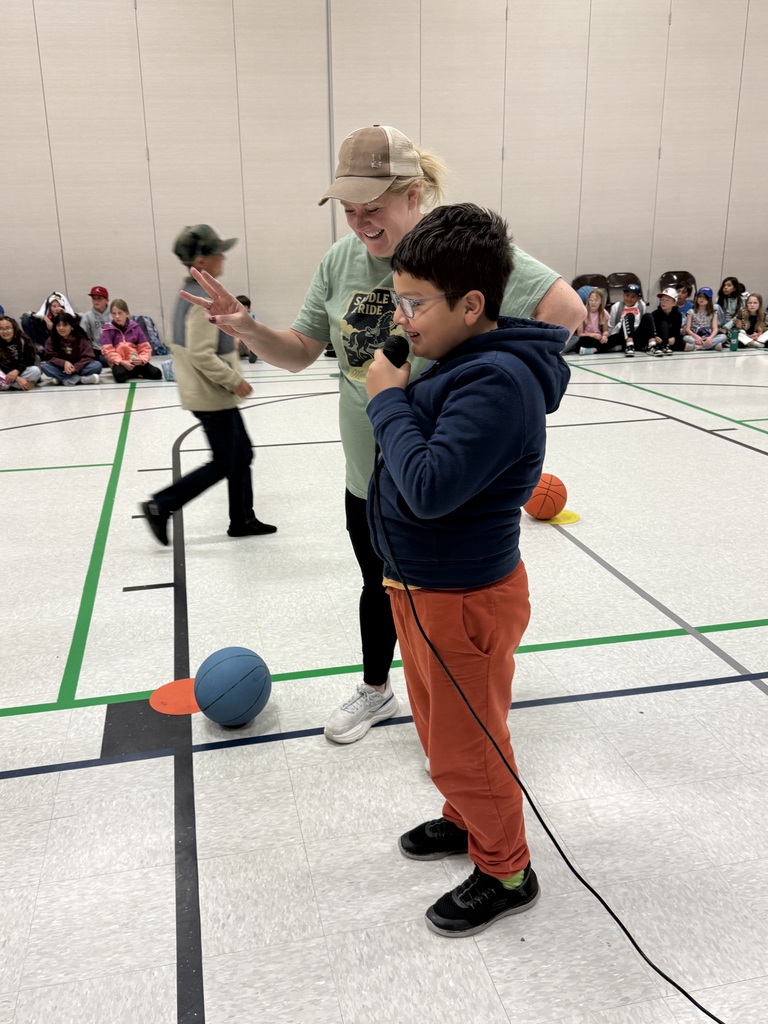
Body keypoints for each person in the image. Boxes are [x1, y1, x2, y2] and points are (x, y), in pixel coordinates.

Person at [178, 124, 584, 744]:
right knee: (381, 586)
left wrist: (491, 387)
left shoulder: (454, 251)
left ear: (414, 193)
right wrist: (246, 328)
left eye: (373, 209)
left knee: (448, 607)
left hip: (441, 479)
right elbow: (301, 351)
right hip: (370, 474)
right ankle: (380, 690)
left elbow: (566, 312)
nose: (361, 224)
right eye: (349, 211)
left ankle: (464, 729)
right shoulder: (339, 262)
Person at [363, 203, 568, 936]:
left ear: (472, 304)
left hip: (459, 596)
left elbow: (429, 486)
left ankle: (506, 868)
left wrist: (385, 400)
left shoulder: (498, 383)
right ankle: (466, 819)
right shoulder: (459, 364)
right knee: (445, 730)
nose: (404, 318)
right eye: (400, 299)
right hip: (424, 588)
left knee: (468, 743)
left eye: (417, 303)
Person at [140, 225, 276, 545]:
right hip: (210, 394)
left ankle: (243, 518)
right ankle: (161, 505)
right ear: (202, 260)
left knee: (241, 454)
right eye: (217, 252)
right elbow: (201, 354)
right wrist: (235, 380)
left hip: (210, 393)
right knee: (226, 460)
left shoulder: (194, 292)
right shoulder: (202, 298)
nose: (223, 257)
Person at [100, 299, 163, 383]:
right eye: (114, 314)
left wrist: (141, 360)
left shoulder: (135, 327)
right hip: (120, 363)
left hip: (135, 362)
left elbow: (145, 348)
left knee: (157, 374)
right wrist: (121, 362)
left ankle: (134, 372)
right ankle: (133, 373)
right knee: (120, 377)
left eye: (120, 313)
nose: (117, 316)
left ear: (126, 313)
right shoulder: (107, 329)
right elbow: (108, 351)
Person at [40, 312, 102, 384]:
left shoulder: (81, 338)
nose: (61, 328)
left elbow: (88, 357)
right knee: (45, 367)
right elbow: (50, 357)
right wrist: (64, 363)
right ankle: (80, 379)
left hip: (79, 367)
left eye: (65, 325)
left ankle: (62, 378)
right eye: (58, 325)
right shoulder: (52, 339)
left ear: (72, 327)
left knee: (97, 365)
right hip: (62, 367)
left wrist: (75, 367)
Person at [21, 292, 76, 358]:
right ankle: (39, 347)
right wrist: (42, 316)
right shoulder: (46, 316)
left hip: (60, 343)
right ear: (50, 307)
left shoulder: (66, 317)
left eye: (59, 306)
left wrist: (64, 317)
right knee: (25, 320)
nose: (56, 309)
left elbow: (73, 330)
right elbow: (26, 318)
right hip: (44, 340)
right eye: (54, 306)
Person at [606, 283, 654, 355]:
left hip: (636, 336)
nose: (629, 299)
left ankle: (652, 345)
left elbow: (644, 324)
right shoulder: (616, 307)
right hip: (621, 336)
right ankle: (629, 345)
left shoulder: (642, 305)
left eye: (633, 297)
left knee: (648, 316)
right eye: (627, 295)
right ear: (623, 295)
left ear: (638, 298)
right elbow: (611, 326)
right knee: (629, 316)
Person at [0, 315, 42, 390]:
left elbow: (28, 359)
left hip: (21, 370)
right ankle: (24, 384)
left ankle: (10, 385)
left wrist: (17, 370)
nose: (5, 332)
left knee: (35, 371)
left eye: (8, 328)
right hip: (6, 373)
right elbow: (2, 365)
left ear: (14, 328)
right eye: (1, 329)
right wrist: (17, 379)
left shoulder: (23, 340)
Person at [80, 286, 111, 366]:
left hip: (112, 349)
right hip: (96, 349)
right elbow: (82, 336)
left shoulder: (113, 315)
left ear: (107, 300)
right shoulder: (87, 316)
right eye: (94, 298)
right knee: (101, 360)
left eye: (99, 298)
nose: (96, 301)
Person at [647, 287, 684, 355]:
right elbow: (650, 331)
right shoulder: (655, 314)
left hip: (669, 341)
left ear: (674, 303)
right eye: (662, 299)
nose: (663, 302)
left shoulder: (678, 315)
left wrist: (674, 338)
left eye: (667, 300)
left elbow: (676, 331)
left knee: (681, 343)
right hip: (659, 340)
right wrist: (655, 337)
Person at [573, 288, 610, 353]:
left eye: (596, 300)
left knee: (613, 339)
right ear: (588, 301)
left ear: (601, 302)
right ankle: (600, 349)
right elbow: (580, 334)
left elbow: (605, 331)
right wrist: (592, 335)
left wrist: (604, 336)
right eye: (591, 300)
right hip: (587, 337)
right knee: (581, 341)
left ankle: (593, 350)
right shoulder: (583, 311)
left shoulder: (603, 313)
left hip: (598, 338)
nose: (593, 302)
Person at [236, 295, 258, 362]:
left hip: (248, 344)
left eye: (244, 307)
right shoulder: (232, 317)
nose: (241, 309)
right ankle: (234, 355)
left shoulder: (252, 318)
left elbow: (256, 330)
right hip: (237, 346)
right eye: (239, 307)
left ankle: (252, 353)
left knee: (250, 338)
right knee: (236, 338)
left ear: (248, 309)